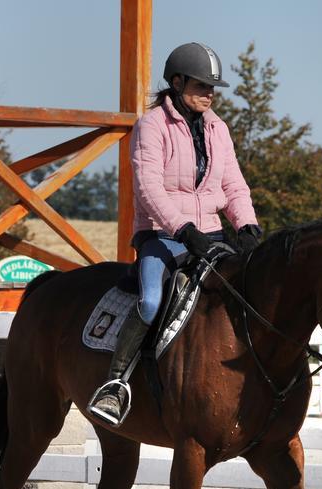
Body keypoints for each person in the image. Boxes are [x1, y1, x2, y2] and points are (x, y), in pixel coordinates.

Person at [88, 42, 262, 426]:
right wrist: (183, 230)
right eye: (202, 85)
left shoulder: (219, 128)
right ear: (177, 82)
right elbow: (149, 188)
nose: (210, 94)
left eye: (212, 87)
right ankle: (116, 383)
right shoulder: (151, 127)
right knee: (151, 303)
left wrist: (247, 224)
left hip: (213, 236)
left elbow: (233, 185)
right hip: (162, 237)